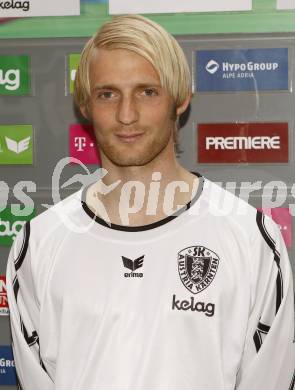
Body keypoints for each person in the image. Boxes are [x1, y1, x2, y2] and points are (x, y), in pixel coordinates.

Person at [6, 14, 295, 390]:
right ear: (85, 105)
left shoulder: (250, 238)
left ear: (180, 98)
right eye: (107, 94)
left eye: (147, 91)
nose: (127, 115)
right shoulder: (40, 242)